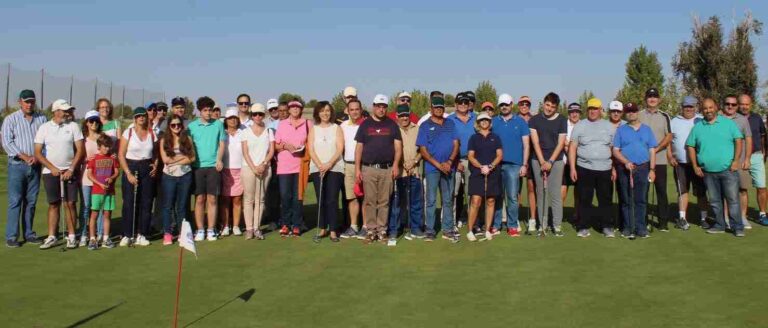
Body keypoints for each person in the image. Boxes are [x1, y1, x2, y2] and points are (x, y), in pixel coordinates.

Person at [686, 98, 745, 237]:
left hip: (728, 170)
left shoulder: (728, 123)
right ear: (702, 110)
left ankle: (737, 227)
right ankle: (719, 225)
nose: (708, 110)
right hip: (708, 172)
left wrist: (736, 160)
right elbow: (690, 146)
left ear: (716, 107)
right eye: (705, 108)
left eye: (711, 107)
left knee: (733, 200)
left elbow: (738, 140)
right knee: (715, 201)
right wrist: (695, 165)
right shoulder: (698, 127)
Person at [35, 99, 85, 249]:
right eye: (65, 110)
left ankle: (71, 236)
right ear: (56, 111)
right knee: (53, 204)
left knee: (70, 203)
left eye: (68, 111)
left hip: (70, 171)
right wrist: (52, 168)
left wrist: (71, 169)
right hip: (50, 172)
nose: (67, 113)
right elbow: (37, 152)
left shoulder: (73, 126)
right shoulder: (44, 128)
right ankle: (52, 236)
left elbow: (80, 150)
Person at [2, 89, 47, 248]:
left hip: (35, 165)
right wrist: (24, 156)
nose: (29, 104)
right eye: (26, 101)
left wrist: (38, 156)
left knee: (31, 202)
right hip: (17, 166)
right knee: (15, 201)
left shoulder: (42, 118)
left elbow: (45, 141)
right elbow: (7, 143)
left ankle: (29, 234)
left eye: (32, 101)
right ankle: (12, 236)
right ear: (20, 102)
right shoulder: (11, 119)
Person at [355, 94, 402, 243]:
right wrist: (357, 169)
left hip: (386, 169)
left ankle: (382, 230)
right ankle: (370, 231)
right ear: (373, 106)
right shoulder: (365, 124)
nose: (381, 109)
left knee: (384, 201)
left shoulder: (392, 124)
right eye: (378, 106)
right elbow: (359, 148)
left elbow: (398, 147)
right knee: (369, 201)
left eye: (384, 107)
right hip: (368, 168)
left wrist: (395, 165)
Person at [568, 98, 616, 237]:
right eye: (590, 109)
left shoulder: (609, 127)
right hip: (584, 167)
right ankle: (583, 226)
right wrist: (572, 168)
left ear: (600, 110)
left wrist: (613, 168)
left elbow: (613, 149)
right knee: (585, 199)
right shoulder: (580, 126)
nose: (592, 111)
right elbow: (572, 148)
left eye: (595, 108)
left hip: (605, 168)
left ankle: (607, 226)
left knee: (605, 199)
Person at [417, 95, 459, 242]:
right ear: (431, 108)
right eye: (436, 107)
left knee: (448, 199)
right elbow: (423, 150)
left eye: (441, 107)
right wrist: (438, 165)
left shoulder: (450, 123)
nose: (439, 109)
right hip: (432, 169)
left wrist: (449, 161)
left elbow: (456, 144)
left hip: (448, 167)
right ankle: (430, 230)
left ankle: (447, 229)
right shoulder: (425, 125)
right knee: (431, 200)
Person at [613, 102, 657, 239]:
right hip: (625, 169)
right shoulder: (621, 130)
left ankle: (641, 228)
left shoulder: (647, 130)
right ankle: (627, 227)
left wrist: (652, 169)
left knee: (641, 199)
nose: (631, 113)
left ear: (637, 112)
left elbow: (652, 150)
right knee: (626, 200)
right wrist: (625, 162)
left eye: (633, 111)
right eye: (628, 111)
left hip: (643, 168)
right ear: (625, 114)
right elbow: (615, 151)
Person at [118, 107, 159, 246]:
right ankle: (127, 234)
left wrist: (155, 164)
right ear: (135, 118)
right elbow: (121, 155)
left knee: (146, 202)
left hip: (146, 168)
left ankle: (142, 234)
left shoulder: (152, 133)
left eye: (143, 116)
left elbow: (156, 153)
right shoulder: (128, 132)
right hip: (131, 166)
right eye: (138, 116)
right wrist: (128, 173)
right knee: (129, 202)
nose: (141, 118)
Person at [188, 97, 227, 241]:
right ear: (199, 111)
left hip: (213, 167)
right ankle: (200, 230)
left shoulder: (218, 124)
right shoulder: (192, 127)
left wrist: (219, 159)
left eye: (210, 110)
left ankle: (210, 229)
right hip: (197, 167)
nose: (208, 113)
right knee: (199, 199)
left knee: (212, 198)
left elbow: (222, 144)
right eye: (205, 110)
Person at [491, 93, 530, 237]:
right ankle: (496, 225)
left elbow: (526, 145)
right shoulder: (493, 121)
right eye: (501, 105)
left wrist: (524, 165)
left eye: (506, 104)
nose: (504, 107)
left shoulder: (520, 122)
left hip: (514, 165)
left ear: (511, 104)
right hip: (496, 165)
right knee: (497, 196)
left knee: (513, 197)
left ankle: (512, 225)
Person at [528, 92, 567, 236]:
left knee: (555, 193)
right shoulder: (534, 120)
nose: (549, 108)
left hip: (556, 160)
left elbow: (561, 143)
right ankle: (542, 226)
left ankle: (557, 226)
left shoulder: (562, 120)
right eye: (547, 105)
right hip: (537, 160)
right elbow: (535, 142)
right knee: (541, 193)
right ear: (543, 103)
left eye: (553, 106)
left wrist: (550, 161)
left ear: (556, 108)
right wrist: (542, 161)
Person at [668, 96, 707, 230]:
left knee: (701, 192)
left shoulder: (701, 120)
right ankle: (682, 218)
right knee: (682, 191)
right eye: (686, 106)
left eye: (691, 106)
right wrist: (670, 156)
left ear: (695, 107)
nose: (689, 109)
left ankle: (703, 218)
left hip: (698, 164)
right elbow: (668, 141)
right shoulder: (674, 121)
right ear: (682, 107)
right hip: (680, 164)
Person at [308, 102, 345, 242]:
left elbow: (340, 148)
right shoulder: (314, 129)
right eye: (322, 111)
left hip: (335, 168)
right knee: (321, 199)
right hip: (317, 168)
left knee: (332, 200)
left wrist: (329, 164)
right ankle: (322, 228)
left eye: (328, 111)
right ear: (318, 113)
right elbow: (311, 149)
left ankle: (334, 230)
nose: (325, 113)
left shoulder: (337, 128)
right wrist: (320, 165)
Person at [274, 100, 312, 237]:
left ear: (301, 109)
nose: (295, 109)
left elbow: (312, 143)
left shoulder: (308, 124)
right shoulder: (282, 124)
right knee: (285, 196)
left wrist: (303, 148)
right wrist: (286, 146)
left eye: (298, 107)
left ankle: (296, 225)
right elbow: (276, 146)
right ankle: (285, 224)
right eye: (292, 107)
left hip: (301, 165)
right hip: (284, 166)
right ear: (288, 110)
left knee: (298, 197)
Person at [389, 104, 424, 245]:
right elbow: (392, 150)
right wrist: (403, 163)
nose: (404, 118)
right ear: (397, 116)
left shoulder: (417, 128)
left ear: (410, 115)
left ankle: (416, 228)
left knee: (415, 201)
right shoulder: (393, 129)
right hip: (399, 171)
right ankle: (395, 229)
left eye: (406, 115)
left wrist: (414, 161)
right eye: (401, 115)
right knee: (397, 202)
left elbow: (422, 149)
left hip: (415, 170)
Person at [638, 87, 672, 231]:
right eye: (649, 96)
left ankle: (663, 222)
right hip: (642, 160)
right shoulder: (638, 115)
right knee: (643, 192)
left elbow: (669, 136)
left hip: (659, 160)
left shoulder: (664, 116)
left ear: (659, 99)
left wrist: (656, 149)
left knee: (661, 192)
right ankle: (643, 220)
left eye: (655, 97)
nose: (652, 99)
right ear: (646, 99)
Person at [466, 113, 503, 242]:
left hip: (493, 173)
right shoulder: (474, 138)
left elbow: (499, 155)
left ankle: (487, 230)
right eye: (481, 120)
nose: (484, 122)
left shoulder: (495, 137)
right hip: (477, 173)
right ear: (478, 123)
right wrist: (481, 167)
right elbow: (470, 156)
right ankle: (470, 230)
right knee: (476, 200)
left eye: (486, 120)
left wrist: (491, 166)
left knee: (491, 201)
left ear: (489, 122)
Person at [159, 115, 195, 245]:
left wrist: (175, 160)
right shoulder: (164, 140)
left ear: (182, 125)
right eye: (173, 125)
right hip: (169, 176)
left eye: (178, 125)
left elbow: (192, 158)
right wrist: (182, 157)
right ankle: (167, 233)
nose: (176, 127)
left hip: (185, 175)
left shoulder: (187, 139)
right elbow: (165, 160)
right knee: (168, 206)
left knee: (182, 206)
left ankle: (182, 233)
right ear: (169, 126)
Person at [241, 103, 275, 240]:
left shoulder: (269, 131)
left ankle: (257, 228)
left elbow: (271, 150)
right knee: (248, 200)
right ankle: (249, 229)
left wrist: (264, 164)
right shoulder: (245, 131)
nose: (257, 117)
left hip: (264, 169)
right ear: (251, 115)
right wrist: (254, 167)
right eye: (255, 114)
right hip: (248, 168)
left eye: (260, 114)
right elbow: (245, 152)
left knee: (260, 200)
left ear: (264, 115)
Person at [722, 94, 753, 229]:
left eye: (733, 104)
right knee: (726, 192)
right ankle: (726, 218)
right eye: (727, 104)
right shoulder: (718, 118)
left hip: (740, 162)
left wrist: (747, 159)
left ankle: (743, 217)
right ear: (723, 104)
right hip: (723, 162)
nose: (730, 106)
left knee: (742, 190)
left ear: (736, 106)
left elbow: (749, 139)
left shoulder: (742, 120)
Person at [447, 92, 476, 232]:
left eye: (465, 102)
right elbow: (447, 143)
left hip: (472, 161)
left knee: (472, 193)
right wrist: (455, 161)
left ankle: (473, 223)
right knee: (453, 193)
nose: (463, 105)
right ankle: (451, 223)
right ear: (455, 104)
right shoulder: (450, 120)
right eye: (460, 103)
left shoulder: (475, 118)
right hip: (456, 162)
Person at [339, 99, 368, 239]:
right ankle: (354, 226)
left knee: (365, 197)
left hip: (364, 165)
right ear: (348, 111)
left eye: (357, 109)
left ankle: (366, 226)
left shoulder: (367, 124)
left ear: (361, 110)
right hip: (348, 165)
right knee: (352, 197)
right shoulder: (343, 126)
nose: (355, 112)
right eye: (352, 109)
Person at [85, 135, 119, 250]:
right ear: (99, 146)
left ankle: (105, 238)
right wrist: (99, 184)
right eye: (105, 146)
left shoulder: (112, 158)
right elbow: (89, 175)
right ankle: (93, 239)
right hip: (97, 191)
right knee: (94, 214)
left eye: (109, 146)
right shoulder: (93, 159)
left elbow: (116, 172)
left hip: (110, 191)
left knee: (107, 214)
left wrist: (112, 178)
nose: (108, 149)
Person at [738, 94, 768, 226]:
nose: (744, 106)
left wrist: (763, 151)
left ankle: (762, 214)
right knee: (742, 188)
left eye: (747, 104)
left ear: (751, 105)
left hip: (756, 156)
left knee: (761, 187)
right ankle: (742, 216)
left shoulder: (757, 118)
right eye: (742, 104)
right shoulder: (735, 118)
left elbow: (762, 136)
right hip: (740, 156)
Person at [78, 110, 105, 247]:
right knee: (86, 206)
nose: (94, 123)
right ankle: (83, 234)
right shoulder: (82, 139)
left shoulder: (103, 138)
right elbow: (77, 157)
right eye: (91, 121)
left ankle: (99, 233)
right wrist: (85, 159)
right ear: (86, 123)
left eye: (96, 121)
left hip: (100, 178)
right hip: (86, 178)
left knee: (98, 207)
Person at [219, 109, 245, 237]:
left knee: (237, 199)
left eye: (235, 118)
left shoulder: (243, 133)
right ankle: (225, 226)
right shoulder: (222, 133)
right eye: (230, 118)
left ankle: (235, 226)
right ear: (226, 120)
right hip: (225, 170)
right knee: (225, 200)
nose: (233, 120)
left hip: (240, 169)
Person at [516, 95, 538, 233]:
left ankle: (532, 220)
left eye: (527, 104)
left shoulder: (534, 120)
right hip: (517, 157)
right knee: (515, 190)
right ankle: (515, 218)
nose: (524, 106)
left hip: (531, 158)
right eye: (522, 104)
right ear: (518, 105)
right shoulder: (514, 119)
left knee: (531, 188)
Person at [562, 102, 582, 224]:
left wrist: (571, 146)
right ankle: (558, 215)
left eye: (576, 112)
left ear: (580, 113)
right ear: (568, 113)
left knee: (578, 190)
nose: (574, 114)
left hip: (580, 163)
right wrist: (572, 147)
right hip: (565, 163)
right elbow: (564, 144)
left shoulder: (584, 125)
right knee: (563, 190)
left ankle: (577, 214)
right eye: (572, 112)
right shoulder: (563, 125)